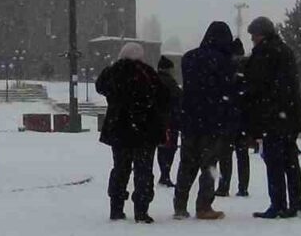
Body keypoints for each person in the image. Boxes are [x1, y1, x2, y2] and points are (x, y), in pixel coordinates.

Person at [96, 42, 169, 223]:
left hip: (119, 129)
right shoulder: (147, 73)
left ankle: (116, 207)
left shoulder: (112, 72)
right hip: (145, 130)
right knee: (143, 171)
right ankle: (141, 211)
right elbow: (163, 97)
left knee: (120, 169)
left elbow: (100, 86)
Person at [172, 22, 237, 220]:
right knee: (209, 164)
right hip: (213, 120)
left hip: (190, 118)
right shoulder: (224, 61)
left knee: (187, 164)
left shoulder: (189, 57)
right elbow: (228, 89)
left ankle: (180, 205)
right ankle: (204, 206)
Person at [243, 17, 301, 219]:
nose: (252, 39)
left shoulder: (265, 53)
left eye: (254, 35)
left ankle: (278, 204)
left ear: (261, 34)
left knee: (274, 162)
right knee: (290, 163)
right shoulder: (285, 50)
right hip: (289, 116)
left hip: (273, 118)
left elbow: (257, 84)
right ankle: (297, 204)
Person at [216, 38, 252, 198]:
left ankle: (223, 186)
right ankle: (243, 187)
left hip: (228, 118)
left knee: (225, 155)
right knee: (242, 155)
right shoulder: (248, 69)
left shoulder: (226, 69)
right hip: (243, 119)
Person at [154, 56, 181, 188]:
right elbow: (179, 99)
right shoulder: (170, 83)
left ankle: (163, 174)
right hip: (170, 121)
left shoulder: (153, 80)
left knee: (161, 148)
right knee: (169, 149)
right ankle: (165, 175)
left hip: (156, 120)